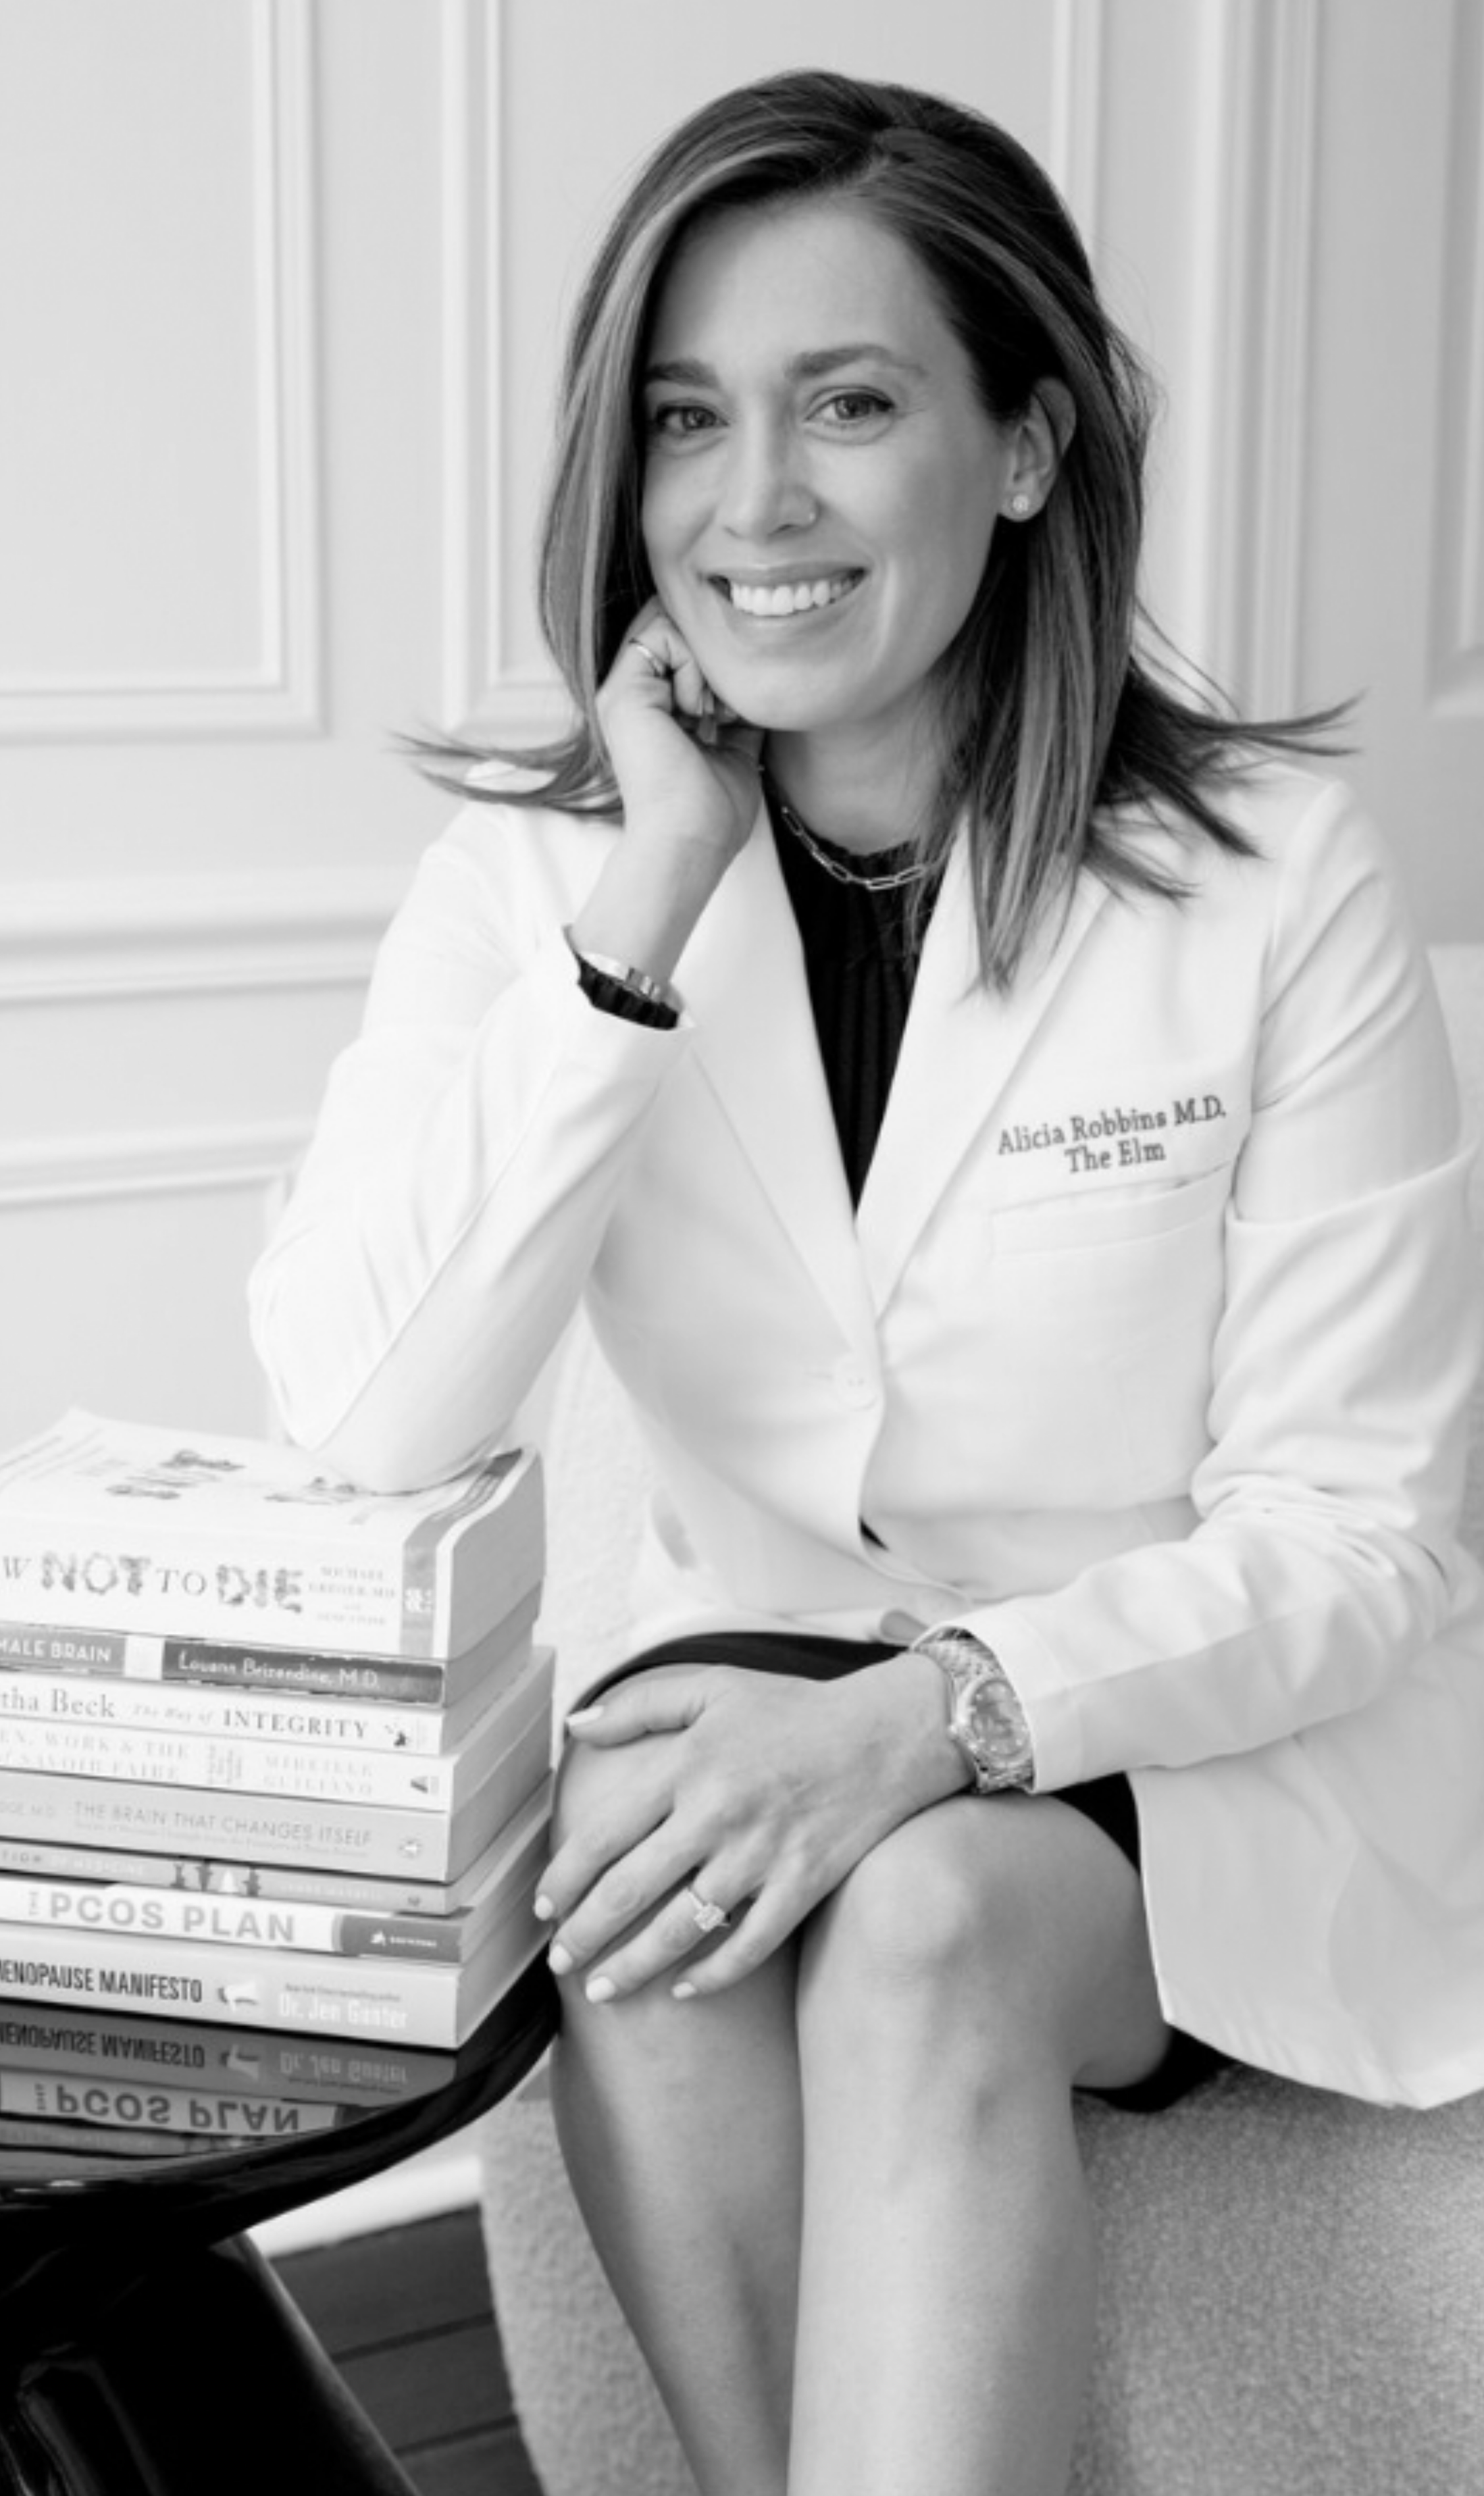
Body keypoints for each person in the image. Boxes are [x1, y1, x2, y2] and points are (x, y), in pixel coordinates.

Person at [251, 69, 1484, 2496]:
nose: (753, 505)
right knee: (641, 1883)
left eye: (850, 403)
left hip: (1213, 1733)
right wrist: (638, 920)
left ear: (1024, 449)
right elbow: (364, 1432)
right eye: (689, 419)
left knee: (915, 1918)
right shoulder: (538, 895)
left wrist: (934, 1718)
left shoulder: (1273, 881)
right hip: (761, 1673)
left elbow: (1366, 1538)